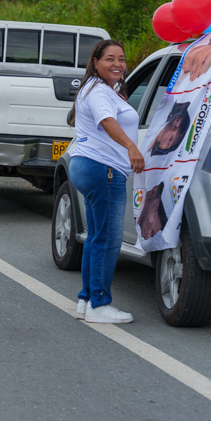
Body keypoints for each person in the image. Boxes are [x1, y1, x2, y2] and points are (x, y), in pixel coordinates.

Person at [66, 39, 143, 324]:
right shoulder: (99, 92)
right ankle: (100, 303)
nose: (117, 64)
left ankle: (86, 300)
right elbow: (108, 121)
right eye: (109, 59)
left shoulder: (98, 89)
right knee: (108, 240)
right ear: (96, 62)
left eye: (121, 59)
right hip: (104, 169)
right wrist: (131, 147)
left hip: (89, 165)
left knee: (97, 237)